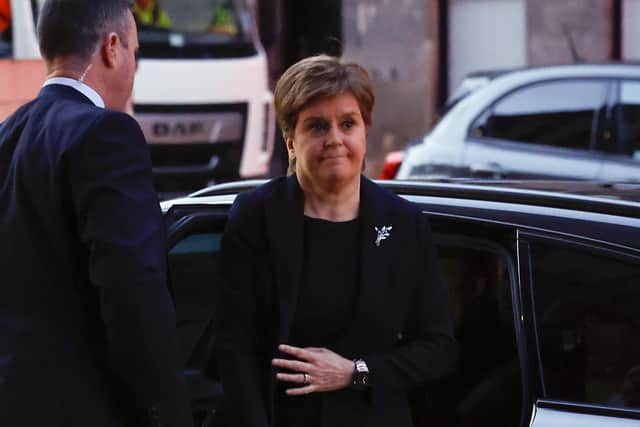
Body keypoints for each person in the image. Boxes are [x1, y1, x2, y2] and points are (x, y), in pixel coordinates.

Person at [214, 54, 457, 427]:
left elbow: (438, 348)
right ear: (290, 141)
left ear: (365, 131)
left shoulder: (403, 223)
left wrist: (354, 372)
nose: (335, 140)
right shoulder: (256, 216)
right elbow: (235, 346)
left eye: (347, 123)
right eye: (316, 126)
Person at [0, 1, 192, 426]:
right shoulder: (107, 133)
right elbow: (132, 291)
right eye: (135, 51)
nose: (133, 68)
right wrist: (168, 412)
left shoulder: (7, 135)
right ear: (112, 47)